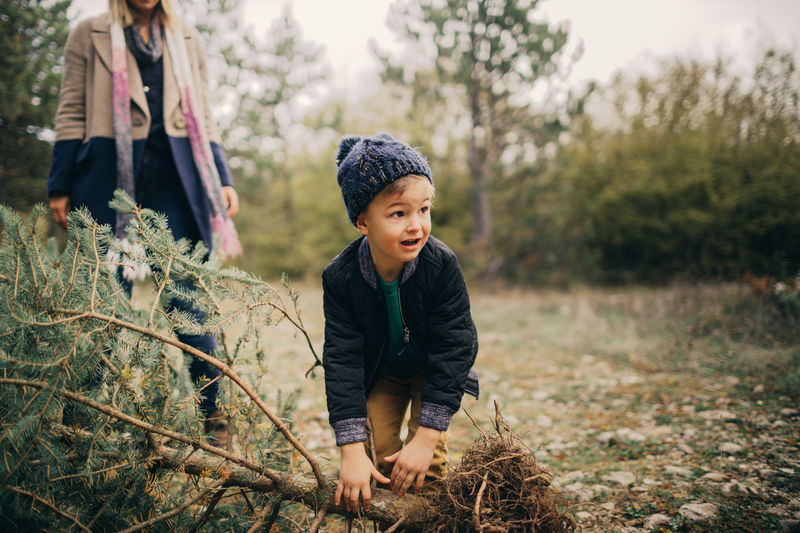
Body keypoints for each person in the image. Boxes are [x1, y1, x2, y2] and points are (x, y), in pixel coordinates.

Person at [47, 0, 241, 445]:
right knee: (100, 297)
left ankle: (216, 418)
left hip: (177, 178)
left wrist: (222, 178)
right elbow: (71, 110)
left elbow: (205, 115)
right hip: (105, 176)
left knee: (186, 298)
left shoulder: (188, 38)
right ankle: (81, 424)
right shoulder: (87, 33)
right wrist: (60, 183)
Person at [322, 133, 479, 513]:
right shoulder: (341, 278)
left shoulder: (440, 265)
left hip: (432, 369)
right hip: (384, 372)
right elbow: (342, 360)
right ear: (363, 222)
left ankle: (428, 515)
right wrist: (350, 451)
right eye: (399, 213)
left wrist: (426, 439)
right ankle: (389, 516)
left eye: (423, 209)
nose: (416, 225)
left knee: (426, 461)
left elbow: (456, 347)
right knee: (381, 457)